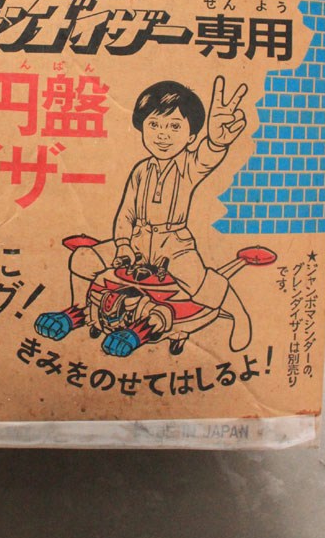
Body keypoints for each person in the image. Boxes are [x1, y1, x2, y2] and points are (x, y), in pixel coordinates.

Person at [35, 76, 252, 352]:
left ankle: (239, 317)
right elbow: (126, 213)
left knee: (202, 284)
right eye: (154, 124)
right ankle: (77, 311)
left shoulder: (189, 165)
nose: (163, 135)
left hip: (173, 244)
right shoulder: (140, 170)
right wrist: (123, 245)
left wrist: (217, 143)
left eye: (175, 126)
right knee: (83, 257)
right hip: (136, 240)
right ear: (141, 128)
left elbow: (206, 158)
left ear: (191, 137)